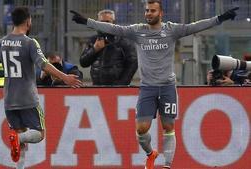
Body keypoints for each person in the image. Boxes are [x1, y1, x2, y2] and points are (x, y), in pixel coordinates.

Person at [70, 1, 238, 169]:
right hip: (147, 87)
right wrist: (87, 22)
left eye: (152, 10)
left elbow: (195, 27)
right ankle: (151, 154)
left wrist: (220, 18)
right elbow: (114, 29)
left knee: (168, 126)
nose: (148, 13)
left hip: (167, 87)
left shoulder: (171, 30)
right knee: (141, 130)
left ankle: (167, 165)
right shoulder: (138, 31)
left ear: (161, 13)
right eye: (146, 10)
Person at [0, 7, 82, 169]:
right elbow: (44, 64)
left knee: (21, 138)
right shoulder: (29, 43)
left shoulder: (0, 43)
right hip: (27, 97)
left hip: (9, 99)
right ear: (28, 21)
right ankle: (18, 140)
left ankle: (20, 166)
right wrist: (65, 77)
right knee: (38, 135)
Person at [80, 9, 137, 85]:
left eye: (107, 22)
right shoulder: (93, 40)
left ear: (114, 23)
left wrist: (122, 84)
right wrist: (95, 49)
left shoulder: (124, 40)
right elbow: (83, 63)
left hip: (117, 88)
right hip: (97, 86)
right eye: (101, 22)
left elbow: (133, 64)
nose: (104, 25)